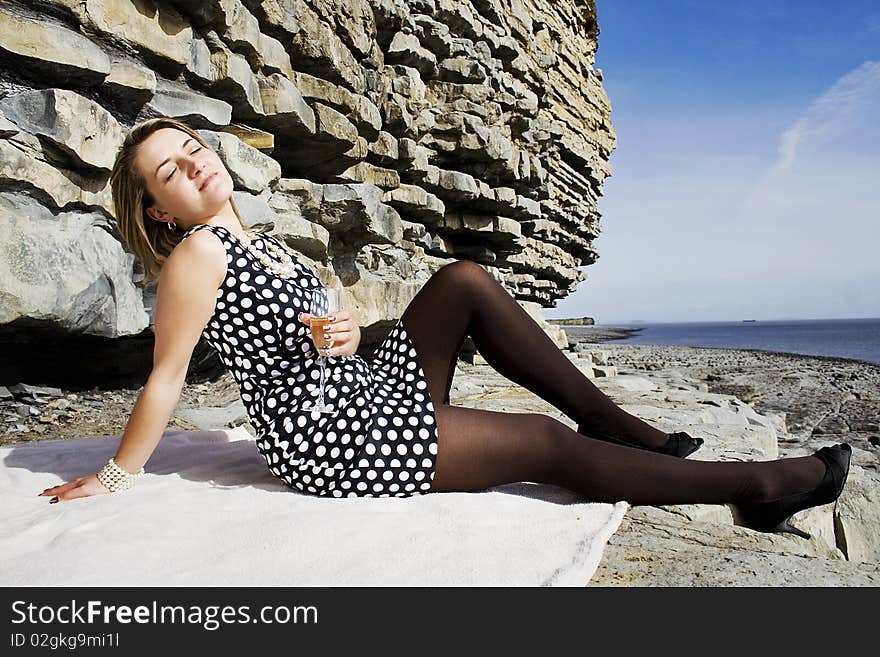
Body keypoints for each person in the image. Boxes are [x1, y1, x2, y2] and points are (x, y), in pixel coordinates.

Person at [38, 117, 851, 541]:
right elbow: (168, 374)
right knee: (536, 441)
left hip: (355, 387)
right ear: (156, 207)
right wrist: (114, 477)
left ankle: (614, 421)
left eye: (192, 147)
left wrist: (346, 333)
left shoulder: (256, 239)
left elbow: (314, 333)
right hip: (332, 440)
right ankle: (760, 487)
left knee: (462, 280)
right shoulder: (193, 258)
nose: (195, 164)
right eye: (171, 171)